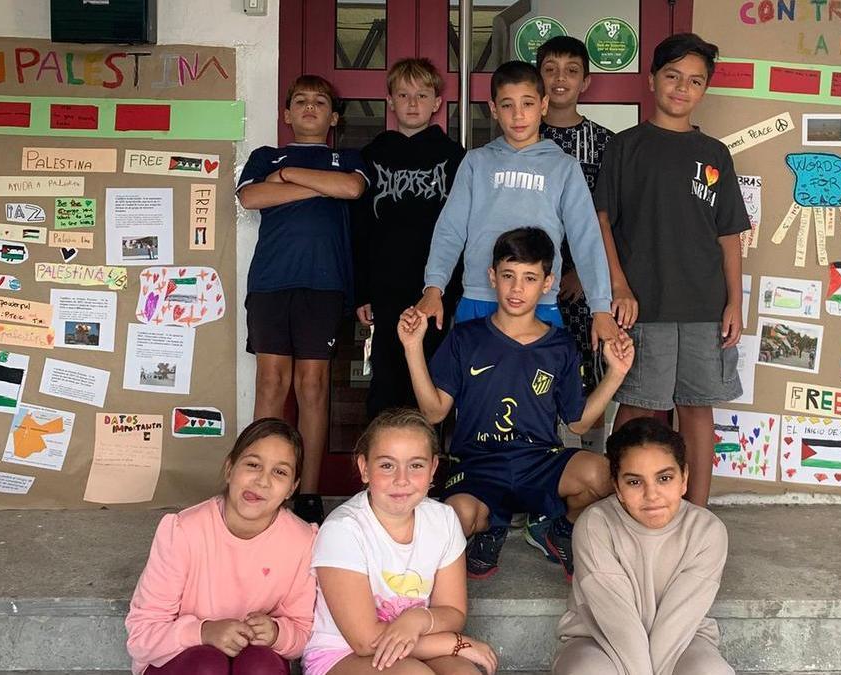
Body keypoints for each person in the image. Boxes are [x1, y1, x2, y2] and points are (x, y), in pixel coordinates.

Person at [399, 227, 634, 582]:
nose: (517, 288)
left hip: (539, 462)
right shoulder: (466, 337)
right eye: (508, 275)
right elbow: (434, 412)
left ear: (547, 283)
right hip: (478, 465)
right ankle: (490, 525)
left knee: (605, 476)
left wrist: (616, 374)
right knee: (455, 518)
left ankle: (557, 528)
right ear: (492, 276)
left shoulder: (560, 346)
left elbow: (578, 423)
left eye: (529, 278)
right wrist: (412, 347)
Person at [597, 33, 751, 507]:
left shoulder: (715, 154)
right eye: (672, 76)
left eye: (695, 81)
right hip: (644, 306)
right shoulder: (625, 147)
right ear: (651, 80)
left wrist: (735, 302)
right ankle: (619, 506)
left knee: (696, 410)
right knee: (639, 408)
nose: (682, 88)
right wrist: (619, 285)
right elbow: (601, 222)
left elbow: (729, 235)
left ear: (705, 89)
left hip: (705, 308)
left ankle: (697, 513)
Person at [414, 60, 624, 355]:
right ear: (493, 109)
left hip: (540, 302)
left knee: (537, 384)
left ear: (543, 105)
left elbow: (586, 239)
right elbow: (450, 229)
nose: (518, 114)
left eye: (527, 103)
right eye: (507, 105)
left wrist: (600, 308)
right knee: (473, 382)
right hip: (479, 298)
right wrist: (433, 288)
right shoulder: (476, 163)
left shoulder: (563, 167)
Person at [237, 74, 368, 524]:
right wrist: (320, 185)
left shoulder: (347, 159)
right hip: (271, 284)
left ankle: (308, 492)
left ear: (333, 118)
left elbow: (351, 189)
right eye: (301, 101)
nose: (310, 107)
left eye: (320, 102)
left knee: (312, 387)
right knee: (270, 385)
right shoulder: (264, 156)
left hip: (324, 285)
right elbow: (252, 197)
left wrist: (290, 176)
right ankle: (260, 487)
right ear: (287, 114)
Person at [302, 409, 498, 675]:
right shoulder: (343, 530)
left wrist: (418, 619)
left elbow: (453, 611)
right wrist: (452, 643)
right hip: (342, 654)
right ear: (364, 468)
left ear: (433, 469)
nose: (401, 479)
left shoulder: (444, 520)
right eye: (387, 465)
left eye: (416, 465)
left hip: (415, 641)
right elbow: (364, 640)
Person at [125, 419, 318, 675]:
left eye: (280, 472)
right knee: (208, 665)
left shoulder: (302, 542)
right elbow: (141, 635)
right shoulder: (184, 531)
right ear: (229, 469)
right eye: (253, 465)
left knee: (261, 665)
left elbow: (304, 632)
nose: (262, 481)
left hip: (252, 663)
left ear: (292, 488)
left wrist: (277, 633)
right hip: (182, 662)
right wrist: (203, 632)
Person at [554, 417, 734, 675]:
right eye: (634, 482)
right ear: (617, 487)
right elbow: (618, 622)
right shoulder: (596, 525)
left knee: (710, 671)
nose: (652, 495)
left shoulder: (707, 531)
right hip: (598, 639)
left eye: (665, 478)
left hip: (684, 641)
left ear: (684, 478)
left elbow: (678, 621)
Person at [353, 58, 465, 421]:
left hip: (436, 288)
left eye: (422, 95)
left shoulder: (454, 158)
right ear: (390, 101)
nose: (412, 103)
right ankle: (381, 453)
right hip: (385, 285)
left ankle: (427, 454)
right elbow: (360, 227)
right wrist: (362, 291)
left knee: (431, 377)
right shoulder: (372, 155)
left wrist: (452, 289)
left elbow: (463, 228)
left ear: (437, 103)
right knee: (386, 375)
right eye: (403, 95)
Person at [535, 35, 618, 453]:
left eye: (571, 70)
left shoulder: (606, 143)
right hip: (532, 282)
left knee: (588, 375)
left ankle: (589, 462)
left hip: (586, 287)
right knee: (535, 372)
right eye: (550, 69)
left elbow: (611, 219)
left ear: (585, 81)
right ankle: (541, 459)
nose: (560, 78)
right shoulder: (524, 136)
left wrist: (585, 276)